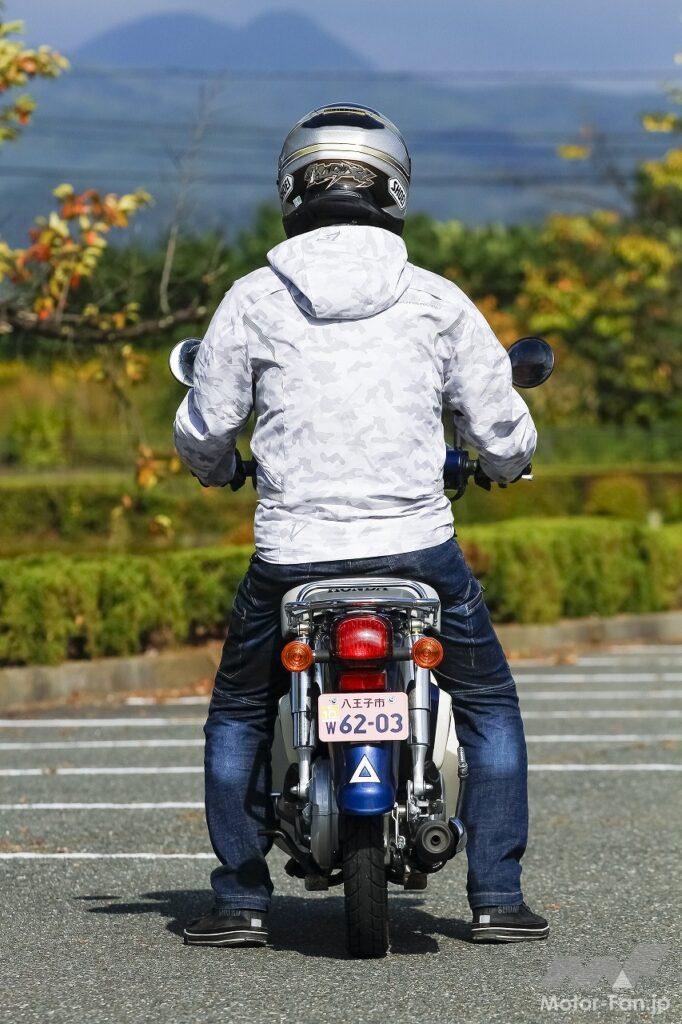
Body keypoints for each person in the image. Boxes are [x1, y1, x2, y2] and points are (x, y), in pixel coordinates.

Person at [174, 104, 549, 948]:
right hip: (418, 549)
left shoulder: (253, 298)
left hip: (292, 554)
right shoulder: (436, 299)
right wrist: (503, 463)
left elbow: (205, 427)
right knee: (488, 702)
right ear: (394, 189)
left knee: (239, 711)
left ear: (292, 188)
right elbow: (500, 429)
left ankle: (240, 899)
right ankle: (498, 897)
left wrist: (218, 467)